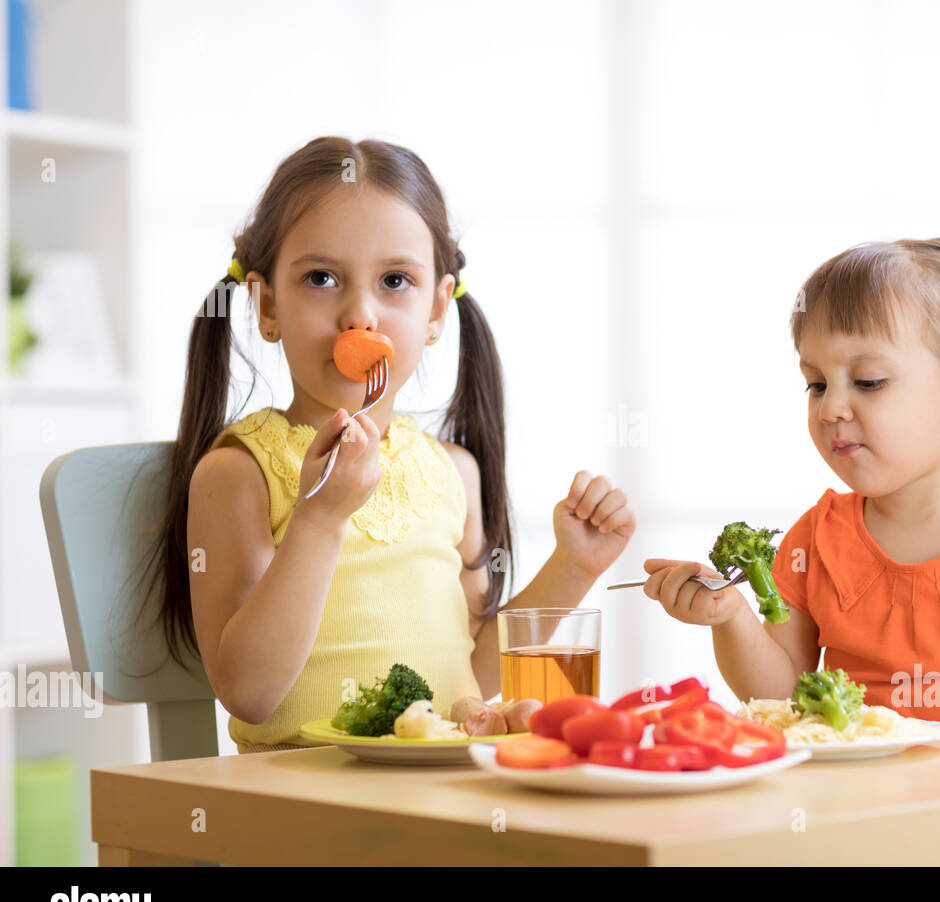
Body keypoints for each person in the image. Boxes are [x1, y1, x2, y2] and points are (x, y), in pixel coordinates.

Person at [148, 137, 635, 752]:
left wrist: (573, 567)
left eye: (395, 280)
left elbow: (473, 674)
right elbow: (248, 691)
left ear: (435, 311)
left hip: (437, 793)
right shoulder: (239, 472)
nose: (360, 315)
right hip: (297, 804)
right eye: (321, 278)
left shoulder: (453, 471)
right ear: (267, 306)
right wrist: (320, 515)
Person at [642, 238, 940, 740]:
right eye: (817, 384)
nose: (831, 408)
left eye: (868, 381)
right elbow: (781, 697)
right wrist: (731, 619)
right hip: (859, 807)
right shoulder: (816, 541)